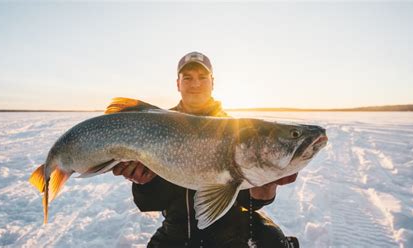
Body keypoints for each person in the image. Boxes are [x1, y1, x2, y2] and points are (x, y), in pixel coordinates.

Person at [112, 51, 299, 248]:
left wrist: (265, 187)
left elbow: (247, 201)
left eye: (202, 77)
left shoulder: (237, 129)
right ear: (178, 83)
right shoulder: (157, 126)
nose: (195, 84)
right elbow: (148, 203)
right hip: (177, 231)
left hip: (229, 232)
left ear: (212, 82)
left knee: (273, 240)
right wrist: (143, 182)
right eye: (188, 78)